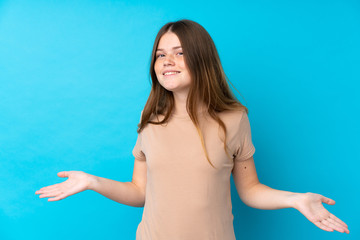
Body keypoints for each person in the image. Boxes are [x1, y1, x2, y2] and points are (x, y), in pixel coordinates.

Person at [35, 19, 349, 239]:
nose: (167, 61)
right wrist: (92, 182)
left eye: (179, 52)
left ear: (202, 59)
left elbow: (250, 190)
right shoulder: (150, 122)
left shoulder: (234, 119)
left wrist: (295, 199)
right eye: (160, 54)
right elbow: (140, 192)